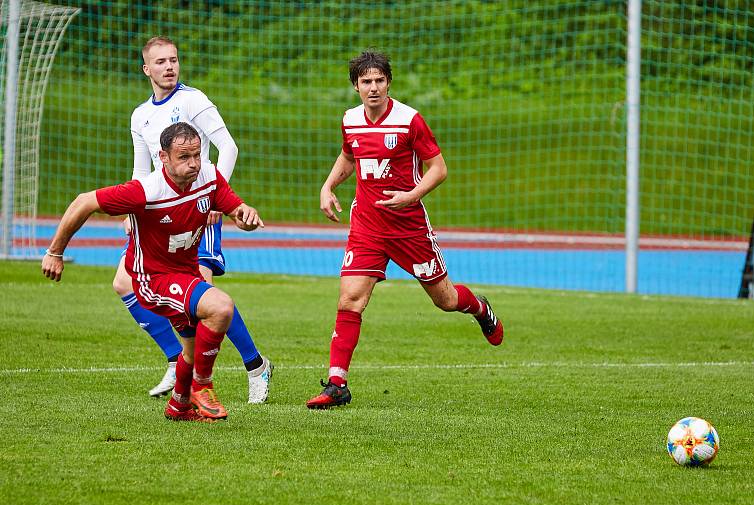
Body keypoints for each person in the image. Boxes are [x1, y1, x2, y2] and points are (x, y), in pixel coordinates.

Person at [306, 50, 504, 409]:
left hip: (409, 228)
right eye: (366, 81)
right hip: (367, 225)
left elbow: (438, 168)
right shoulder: (350, 120)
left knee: (445, 300)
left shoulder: (410, 120)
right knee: (350, 298)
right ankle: (337, 384)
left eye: (379, 80)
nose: (373, 87)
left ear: (388, 83)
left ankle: (479, 309)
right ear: (355, 86)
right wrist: (328, 186)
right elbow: (350, 157)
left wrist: (412, 195)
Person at [42, 122, 264, 422]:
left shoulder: (209, 177)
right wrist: (55, 252)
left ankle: (179, 406)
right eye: (184, 157)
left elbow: (236, 209)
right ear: (163, 157)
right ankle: (202, 385)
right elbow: (84, 202)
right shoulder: (146, 190)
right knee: (221, 307)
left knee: (192, 348)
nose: (194, 163)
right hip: (153, 279)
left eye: (197, 155)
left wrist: (246, 216)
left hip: (186, 273)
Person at [116, 36, 272, 403]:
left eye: (174, 60)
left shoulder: (193, 100)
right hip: (160, 214)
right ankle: (178, 359)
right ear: (146, 69)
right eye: (160, 62)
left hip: (200, 208)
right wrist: (131, 211)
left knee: (203, 293)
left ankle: (255, 366)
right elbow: (143, 169)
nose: (169, 67)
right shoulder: (141, 115)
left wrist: (217, 197)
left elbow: (228, 147)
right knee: (124, 282)